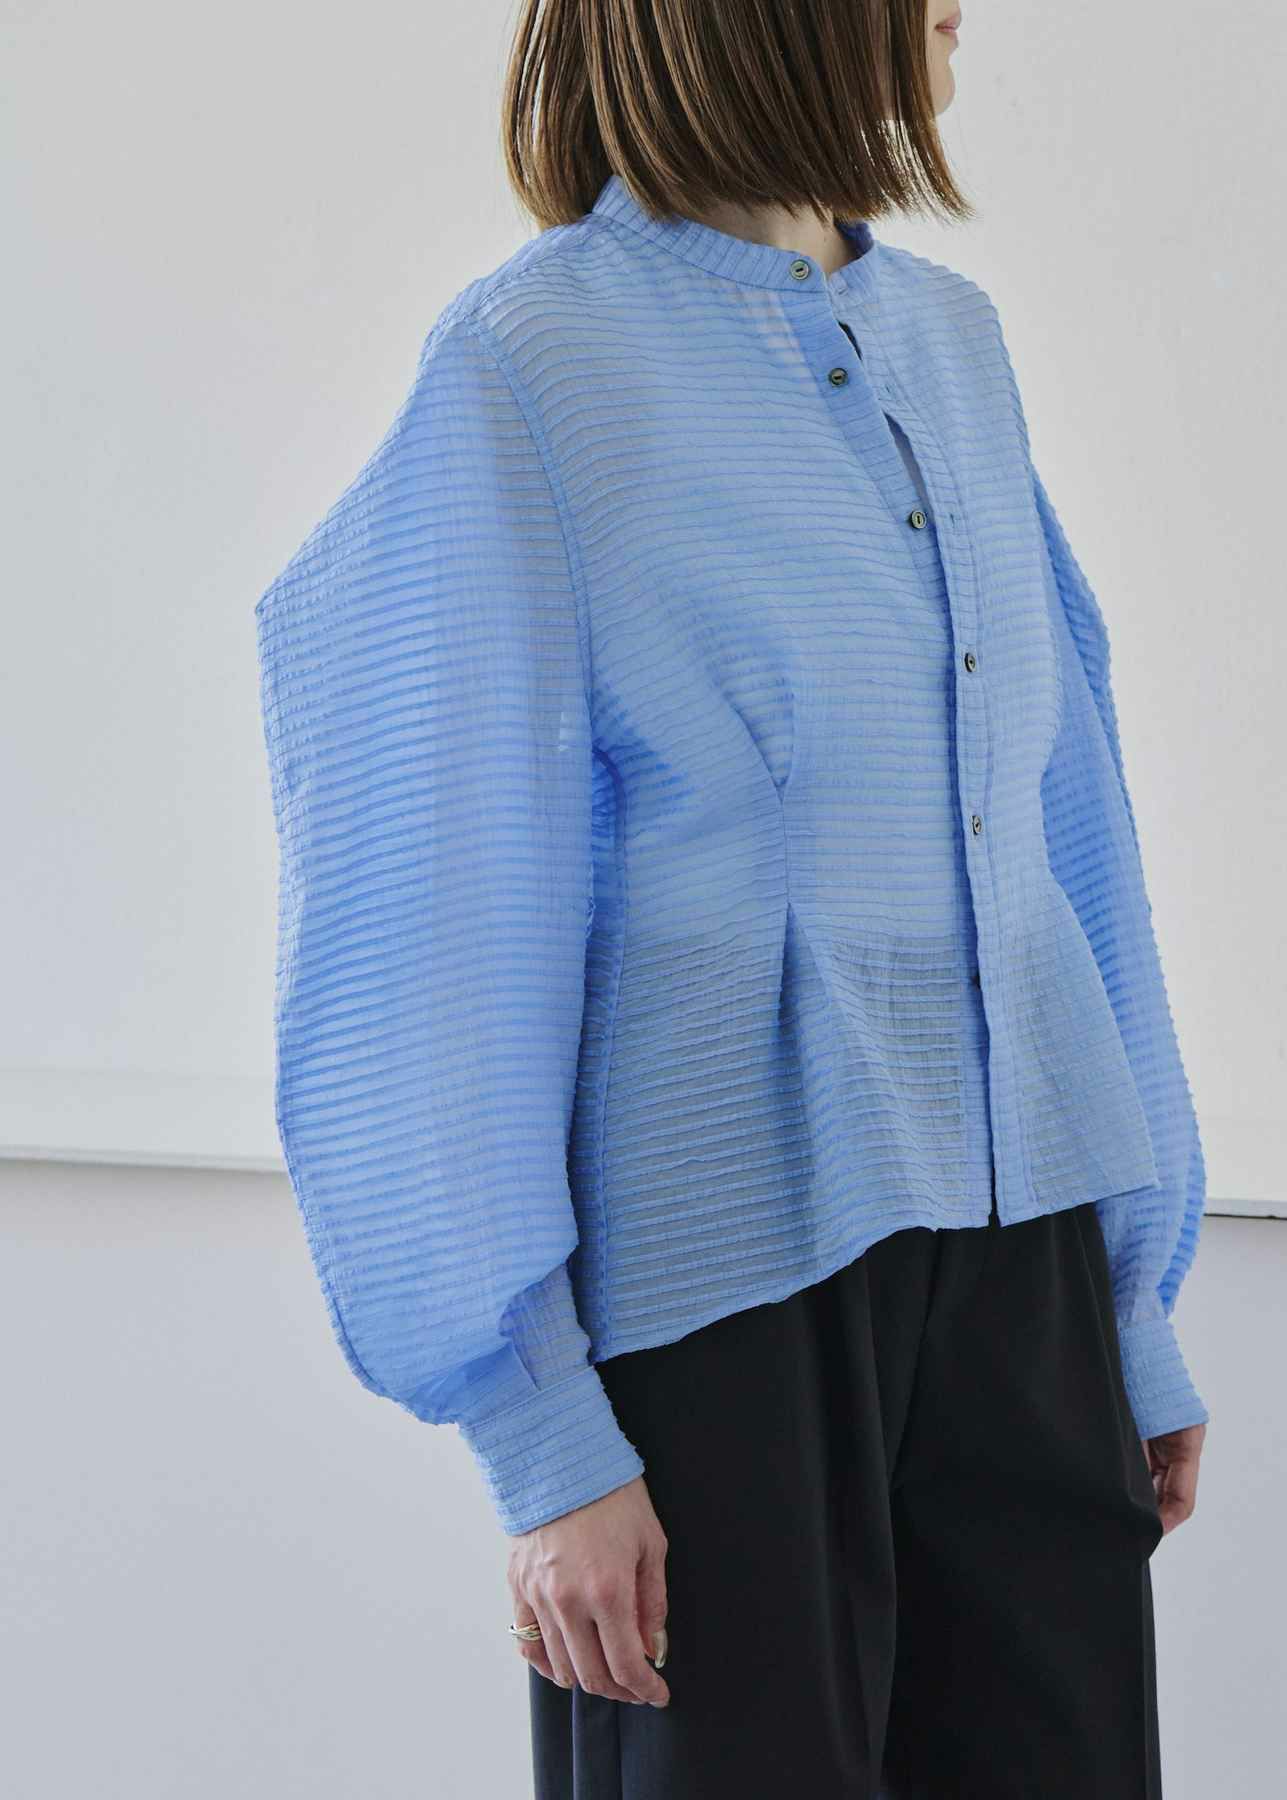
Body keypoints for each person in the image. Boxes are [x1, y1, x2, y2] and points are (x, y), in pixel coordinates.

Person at [254, 0, 1210, 1792]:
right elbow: (427, 909)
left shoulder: (954, 342)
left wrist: (1126, 1308)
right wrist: (541, 1431)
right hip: (724, 1306)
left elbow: (1062, 837)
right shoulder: (535, 364)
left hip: (1024, 1282)